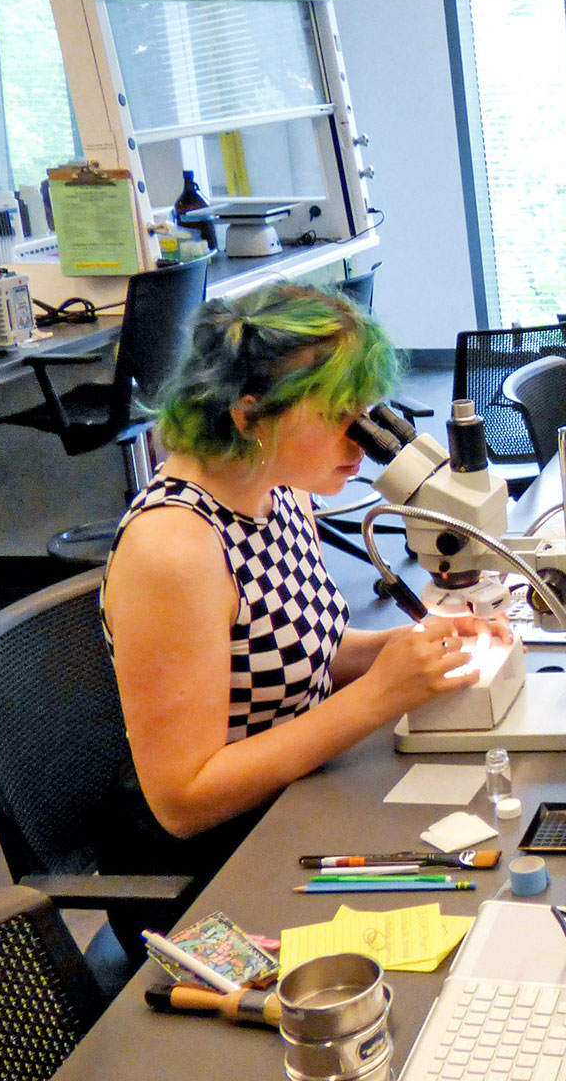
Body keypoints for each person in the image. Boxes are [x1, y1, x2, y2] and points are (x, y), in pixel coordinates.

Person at [99, 285, 500, 940]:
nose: (362, 441)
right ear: (248, 414)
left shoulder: (278, 491)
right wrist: (376, 697)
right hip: (210, 870)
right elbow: (183, 800)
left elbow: (300, 648)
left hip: (295, 801)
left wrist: (415, 645)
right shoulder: (173, 547)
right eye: (338, 415)